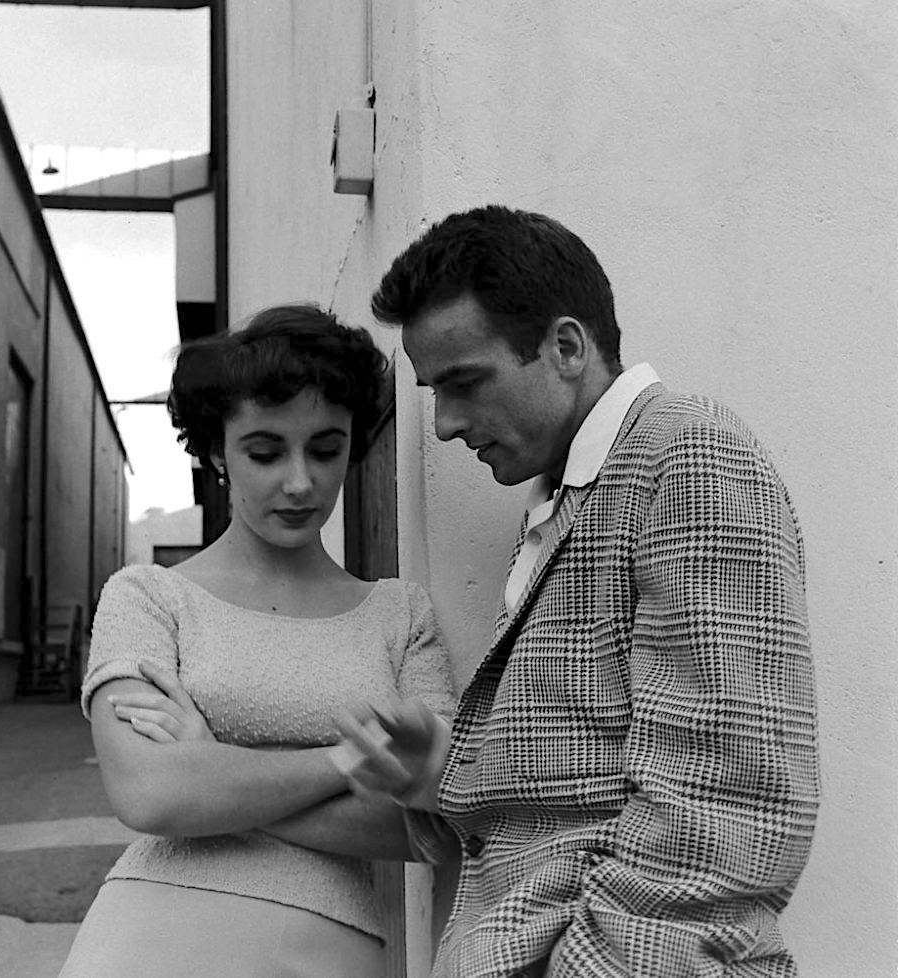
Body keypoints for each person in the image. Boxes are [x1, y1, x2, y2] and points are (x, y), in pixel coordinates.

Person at [334, 206, 819, 978]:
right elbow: (578, 793)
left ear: (566, 345)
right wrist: (451, 773)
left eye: (464, 384)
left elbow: (728, 817)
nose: (446, 424)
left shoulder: (686, 456)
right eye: (433, 391)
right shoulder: (569, 496)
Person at [58, 304, 455, 978]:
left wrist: (214, 766)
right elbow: (151, 796)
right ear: (217, 450)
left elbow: (436, 826)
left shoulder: (400, 615)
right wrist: (350, 763)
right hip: (148, 933)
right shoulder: (147, 596)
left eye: (326, 449)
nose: (299, 482)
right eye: (265, 452)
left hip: (330, 946)